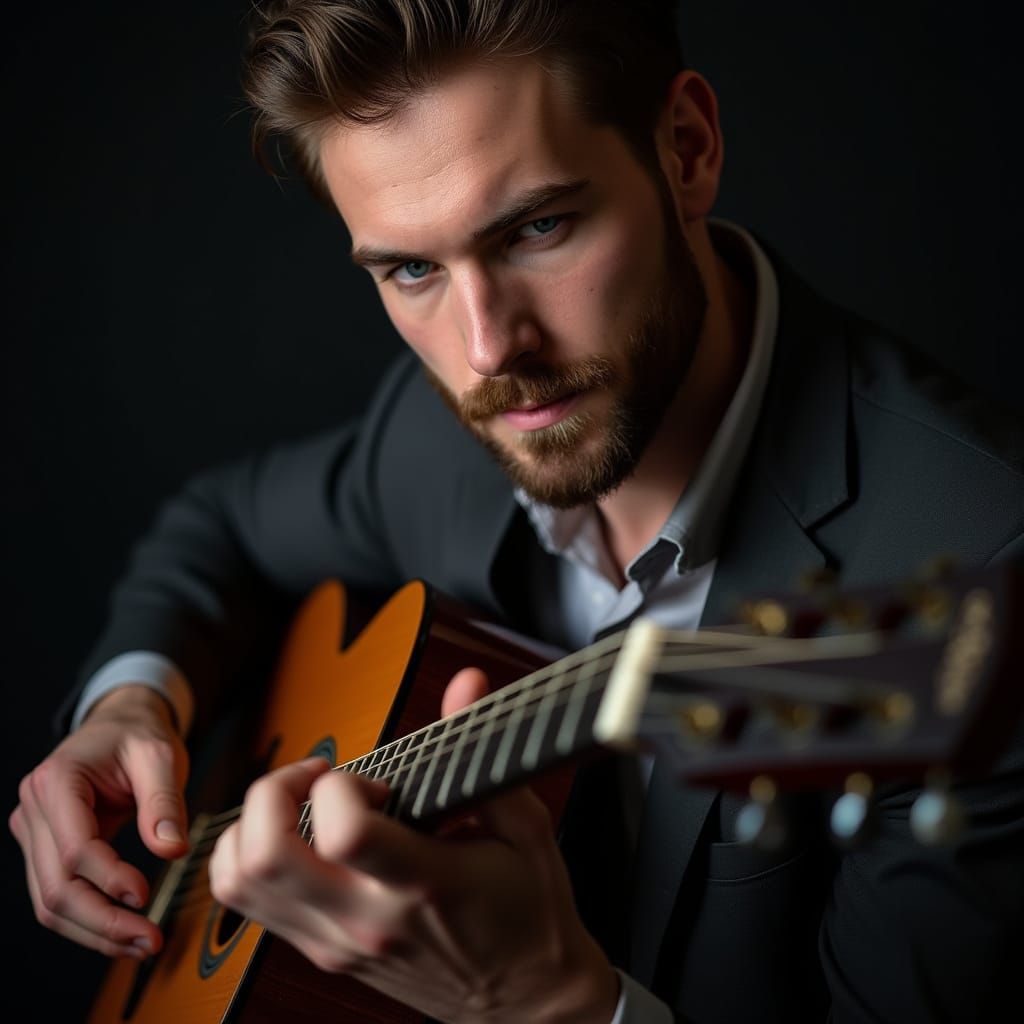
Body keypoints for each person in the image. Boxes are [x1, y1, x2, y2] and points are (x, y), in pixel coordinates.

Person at [10, 1, 1024, 1021]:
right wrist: (132, 703)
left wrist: (545, 1003)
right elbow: (218, 525)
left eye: (538, 227)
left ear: (685, 150)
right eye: (411, 269)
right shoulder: (435, 430)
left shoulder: (986, 562)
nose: (488, 350)